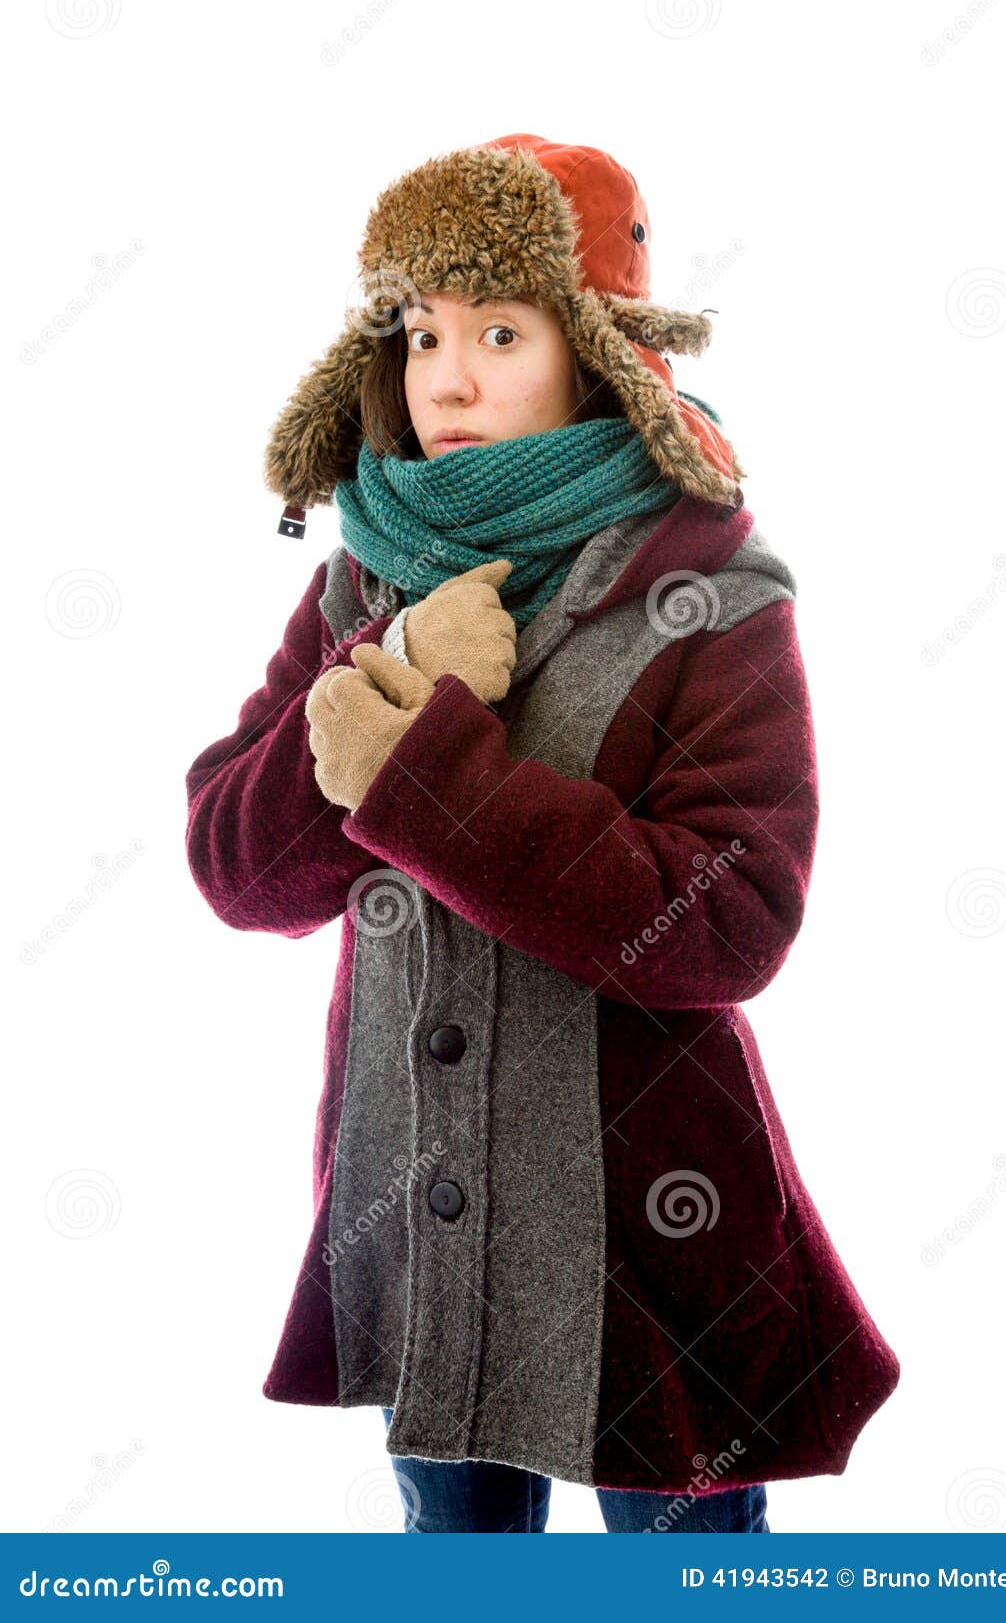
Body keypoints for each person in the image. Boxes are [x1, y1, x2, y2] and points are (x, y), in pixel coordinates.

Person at [184, 132, 900, 1535]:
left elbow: (733, 917)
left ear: (592, 349)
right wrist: (394, 657)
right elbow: (235, 866)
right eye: (419, 331)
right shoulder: (363, 580)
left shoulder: (714, 591)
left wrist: (424, 770)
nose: (446, 377)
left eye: (499, 331)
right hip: (420, 1209)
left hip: (649, 1231)